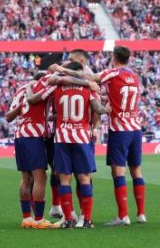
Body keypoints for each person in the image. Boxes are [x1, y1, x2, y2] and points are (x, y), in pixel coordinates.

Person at [50, 45, 148, 226]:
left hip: (120, 129)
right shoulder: (134, 77)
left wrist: (62, 69)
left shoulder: (113, 73)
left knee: (117, 171)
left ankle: (122, 216)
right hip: (135, 127)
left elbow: (92, 78)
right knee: (136, 171)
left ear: (114, 58)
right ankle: (141, 214)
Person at [28, 62, 107, 229]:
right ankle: (86, 219)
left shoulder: (56, 87)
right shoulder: (90, 88)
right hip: (82, 137)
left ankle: (69, 219)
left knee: (64, 179)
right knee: (84, 177)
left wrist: (30, 88)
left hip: (62, 137)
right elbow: (98, 109)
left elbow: (35, 100)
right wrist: (108, 108)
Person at [6, 73, 57, 229]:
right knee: (40, 177)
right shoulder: (44, 89)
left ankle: (27, 218)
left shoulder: (20, 90)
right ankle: (39, 219)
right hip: (34, 136)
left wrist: (23, 111)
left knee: (26, 179)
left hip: (20, 135)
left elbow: (8, 117)